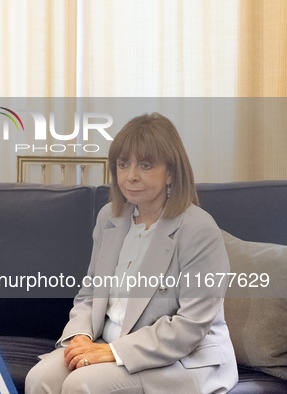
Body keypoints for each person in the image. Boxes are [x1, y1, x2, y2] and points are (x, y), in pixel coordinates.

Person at [25, 113, 238, 393]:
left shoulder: (199, 229)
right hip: (107, 344)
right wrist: (80, 336)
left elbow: (190, 327)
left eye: (146, 165)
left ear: (171, 172)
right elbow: (90, 292)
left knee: (81, 384)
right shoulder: (109, 218)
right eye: (123, 164)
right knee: (39, 378)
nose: (131, 176)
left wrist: (114, 352)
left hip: (184, 358)